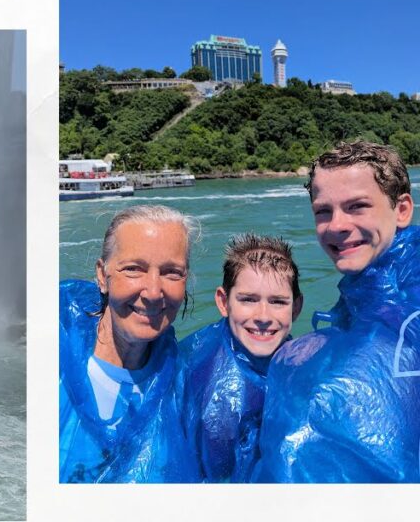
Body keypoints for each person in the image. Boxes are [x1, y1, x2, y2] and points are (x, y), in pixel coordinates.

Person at [254, 140, 420, 482]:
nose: (336, 225)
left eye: (357, 206)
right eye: (323, 211)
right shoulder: (364, 298)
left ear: (402, 210)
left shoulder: (405, 309)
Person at [60, 204, 198, 483]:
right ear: (102, 275)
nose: (153, 292)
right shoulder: (54, 359)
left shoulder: (187, 386)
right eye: (134, 269)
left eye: (172, 272)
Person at [177, 234, 302, 482]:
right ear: (224, 303)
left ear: (296, 308)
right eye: (248, 300)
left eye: (278, 302)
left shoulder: (296, 357)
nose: (263, 315)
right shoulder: (214, 389)